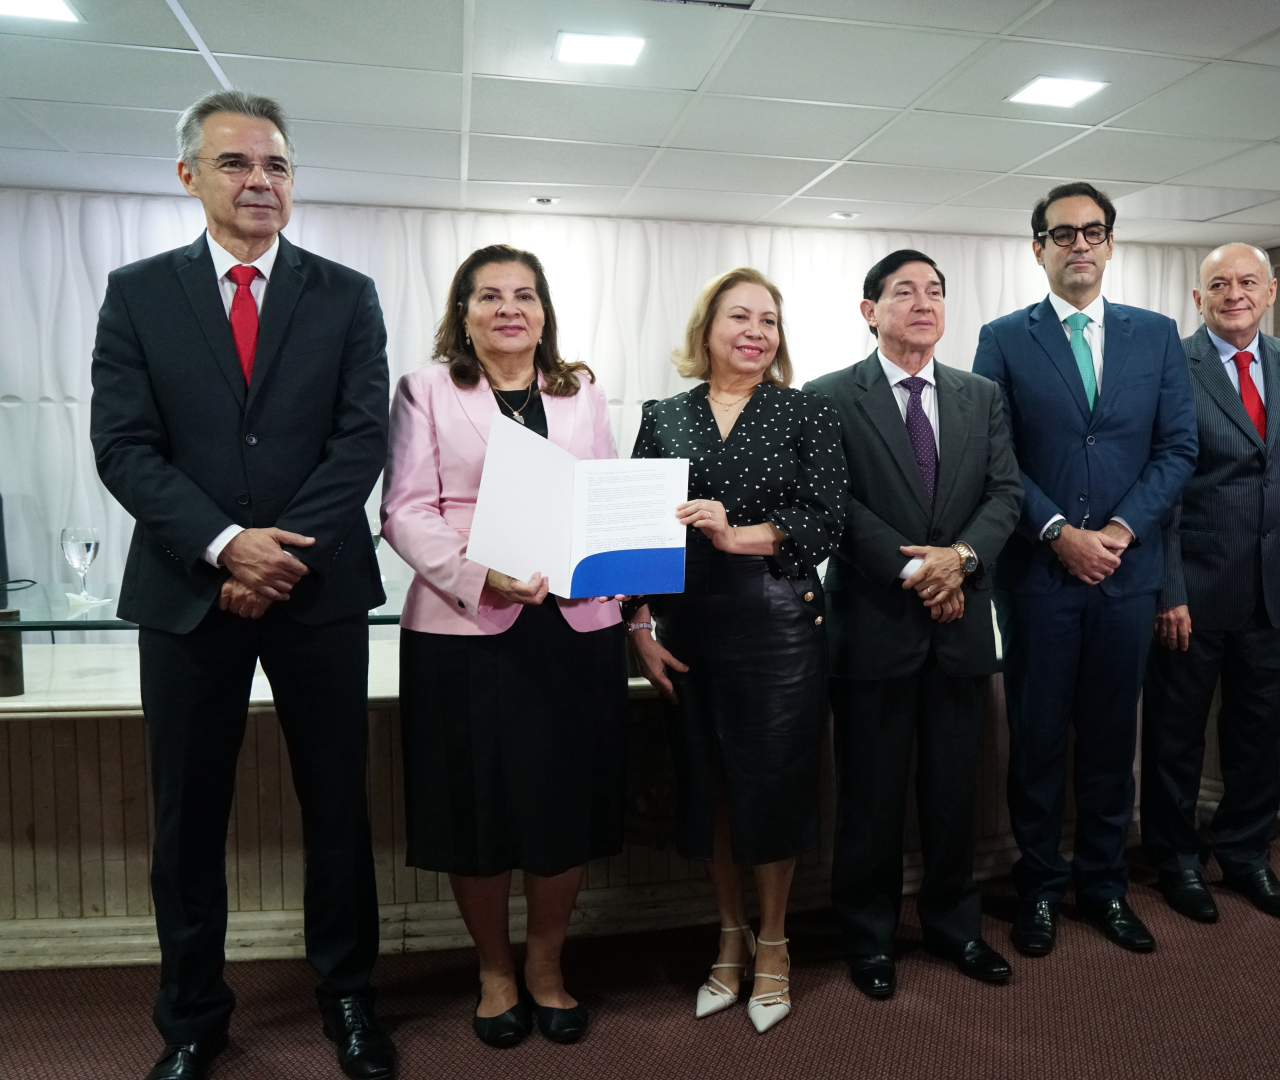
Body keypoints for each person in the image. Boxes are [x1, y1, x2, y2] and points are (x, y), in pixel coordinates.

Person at [89, 90, 394, 1080]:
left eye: (277, 166)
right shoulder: (138, 293)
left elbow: (360, 441)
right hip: (188, 594)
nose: (260, 181)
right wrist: (224, 545)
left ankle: (349, 999)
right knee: (187, 819)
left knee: (337, 809)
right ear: (190, 176)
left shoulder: (346, 295)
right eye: (235, 164)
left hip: (319, 592)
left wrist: (278, 554)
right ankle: (190, 1019)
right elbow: (124, 448)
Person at [380, 244, 625, 1047]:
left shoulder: (578, 390)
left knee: (561, 806)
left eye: (525, 295)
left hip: (573, 625)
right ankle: (494, 969)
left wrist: (609, 567)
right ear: (464, 313)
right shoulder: (425, 388)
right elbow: (408, 508)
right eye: (489, 297)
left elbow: (602, 495)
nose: (509, 308)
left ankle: (547, 965)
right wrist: (481, 575)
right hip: (465, 628)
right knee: (474, 807)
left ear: (545, 311)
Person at [972, 181, 1197, 957]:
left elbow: (1178, 449)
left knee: (1110, 741)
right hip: (1039, 578)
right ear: (1037, 247)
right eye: (1062, 233)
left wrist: (1124, 530)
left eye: (1092, 232)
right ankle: (1037, 888)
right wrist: (1060, 530)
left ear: (1109, 244)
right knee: (1037, 741)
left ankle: (1103, 885)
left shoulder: (1157, 334)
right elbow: (992, 455)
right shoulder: (1002, 339)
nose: (1079, 245)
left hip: (1126, 578)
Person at [628, 268, 846, 1033]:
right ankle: (730, 936)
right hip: (688, 629)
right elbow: (637, 533)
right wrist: (638, 630)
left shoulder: (807, 412)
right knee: (710, 788)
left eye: (770, 320)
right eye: (740, 316)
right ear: (707, 328)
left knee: (771, 789)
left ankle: (777, 942)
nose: (757, 331)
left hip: (779, 626)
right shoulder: (665, 415)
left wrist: (737, 534)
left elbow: (824, 521)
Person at [806, 250, 1022, 1000]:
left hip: (960, 629)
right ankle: (868, 937)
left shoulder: (980, 395)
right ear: (870, 310)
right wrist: (920, 573)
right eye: (904, 292)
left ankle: (956, 926)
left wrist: (959, 560)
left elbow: (1005, 495)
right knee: (869, 798)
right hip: (873, 628)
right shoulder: (829, 395)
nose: (923, 303)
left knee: (954, 793)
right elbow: (835, 507)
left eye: (935, 290)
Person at [1140, 244, 1280, 925]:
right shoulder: (1172, 366)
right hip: (1192, 586)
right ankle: (1175, 859)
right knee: (1175, 734)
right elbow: (1159, 487)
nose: (1234, 293)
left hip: (1272, 584)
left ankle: (1247, 852)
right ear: (1197, 300)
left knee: (1263, 729)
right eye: (1218, 284)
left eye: (1247, 281)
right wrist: (1167, 588)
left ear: (1271, 290)